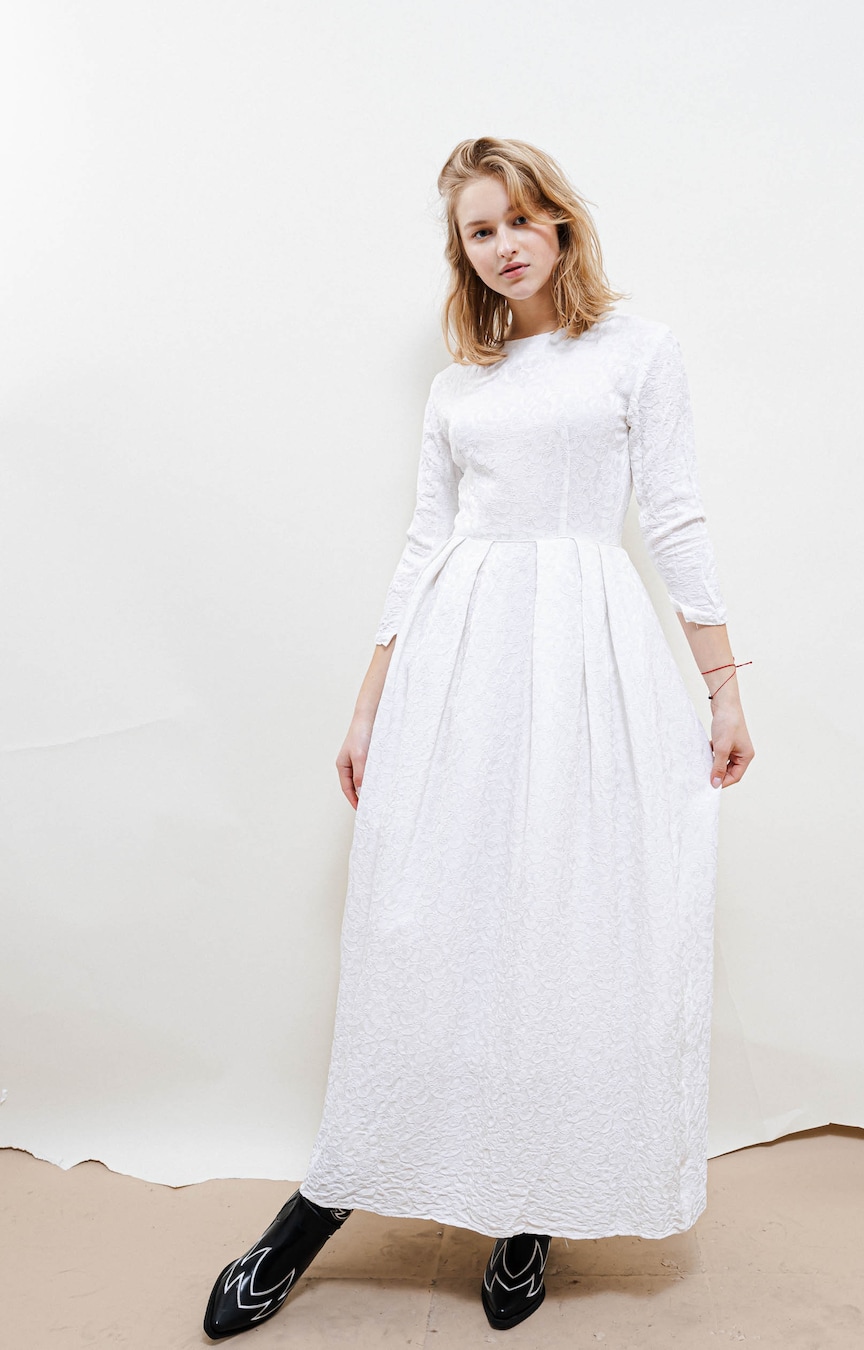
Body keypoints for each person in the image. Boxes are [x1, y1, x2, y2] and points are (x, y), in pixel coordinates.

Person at [203, 135, 754, 1340]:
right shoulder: (460, 386)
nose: (504, 246)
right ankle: (318, 1206)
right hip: (462, 659)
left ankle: (529, 1205)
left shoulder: (637, 351)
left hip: (587, 659)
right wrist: (369, 701)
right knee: (429, 918)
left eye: (518, 219)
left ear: (559, 221)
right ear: (462, 251)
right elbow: (426, 542)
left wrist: (722, 687)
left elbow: (674, 518)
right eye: (478, 231)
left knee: (563, 919)